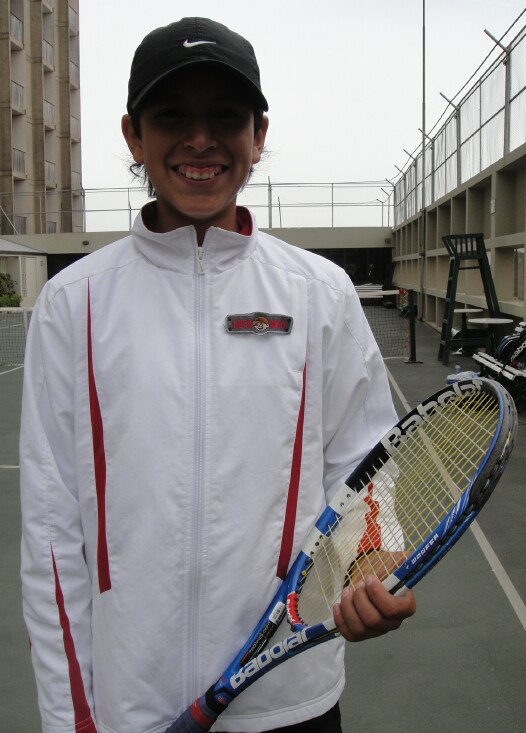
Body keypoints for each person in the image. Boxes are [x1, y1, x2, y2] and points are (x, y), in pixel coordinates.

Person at [20, 17, 416, 733]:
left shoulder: (319, 293)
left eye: (226, 118)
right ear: (134, 136)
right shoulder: (71, 304)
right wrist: (73, 717)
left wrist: (365, 569)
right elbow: (52, 537)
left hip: (288, 698)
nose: (200, 139)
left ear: (258, 136)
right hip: (128, 710)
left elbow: (367, 469)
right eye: (172, 116)